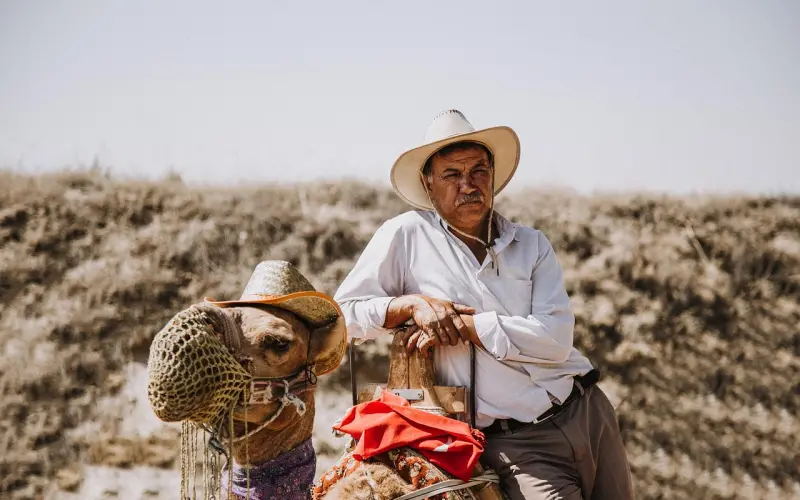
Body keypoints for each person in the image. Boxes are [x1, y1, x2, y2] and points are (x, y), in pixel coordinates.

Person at [333, 109, 634, 500]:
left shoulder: (531, 244)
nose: (468, 184)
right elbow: (343, 316)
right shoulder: (406, 235)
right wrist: (410, 306)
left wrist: (469, 326)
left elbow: (556, 339)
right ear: (428, 183)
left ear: (492, 175)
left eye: (478, 171)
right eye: (452, 174)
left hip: (588, 410)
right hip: (516, 445)